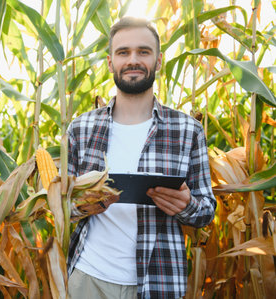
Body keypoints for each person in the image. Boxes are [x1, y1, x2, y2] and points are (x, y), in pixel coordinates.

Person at [66, 17, 216, 299]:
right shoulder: (80, 129)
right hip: (88, 279)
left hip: (159, 281)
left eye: (143, 52)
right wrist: (82, 206)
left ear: (158, 61)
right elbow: (61, 208)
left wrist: (186, 206)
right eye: (123, 52)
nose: (133, 60)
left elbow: (206, 210)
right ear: (110, 63)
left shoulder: (188, 131)